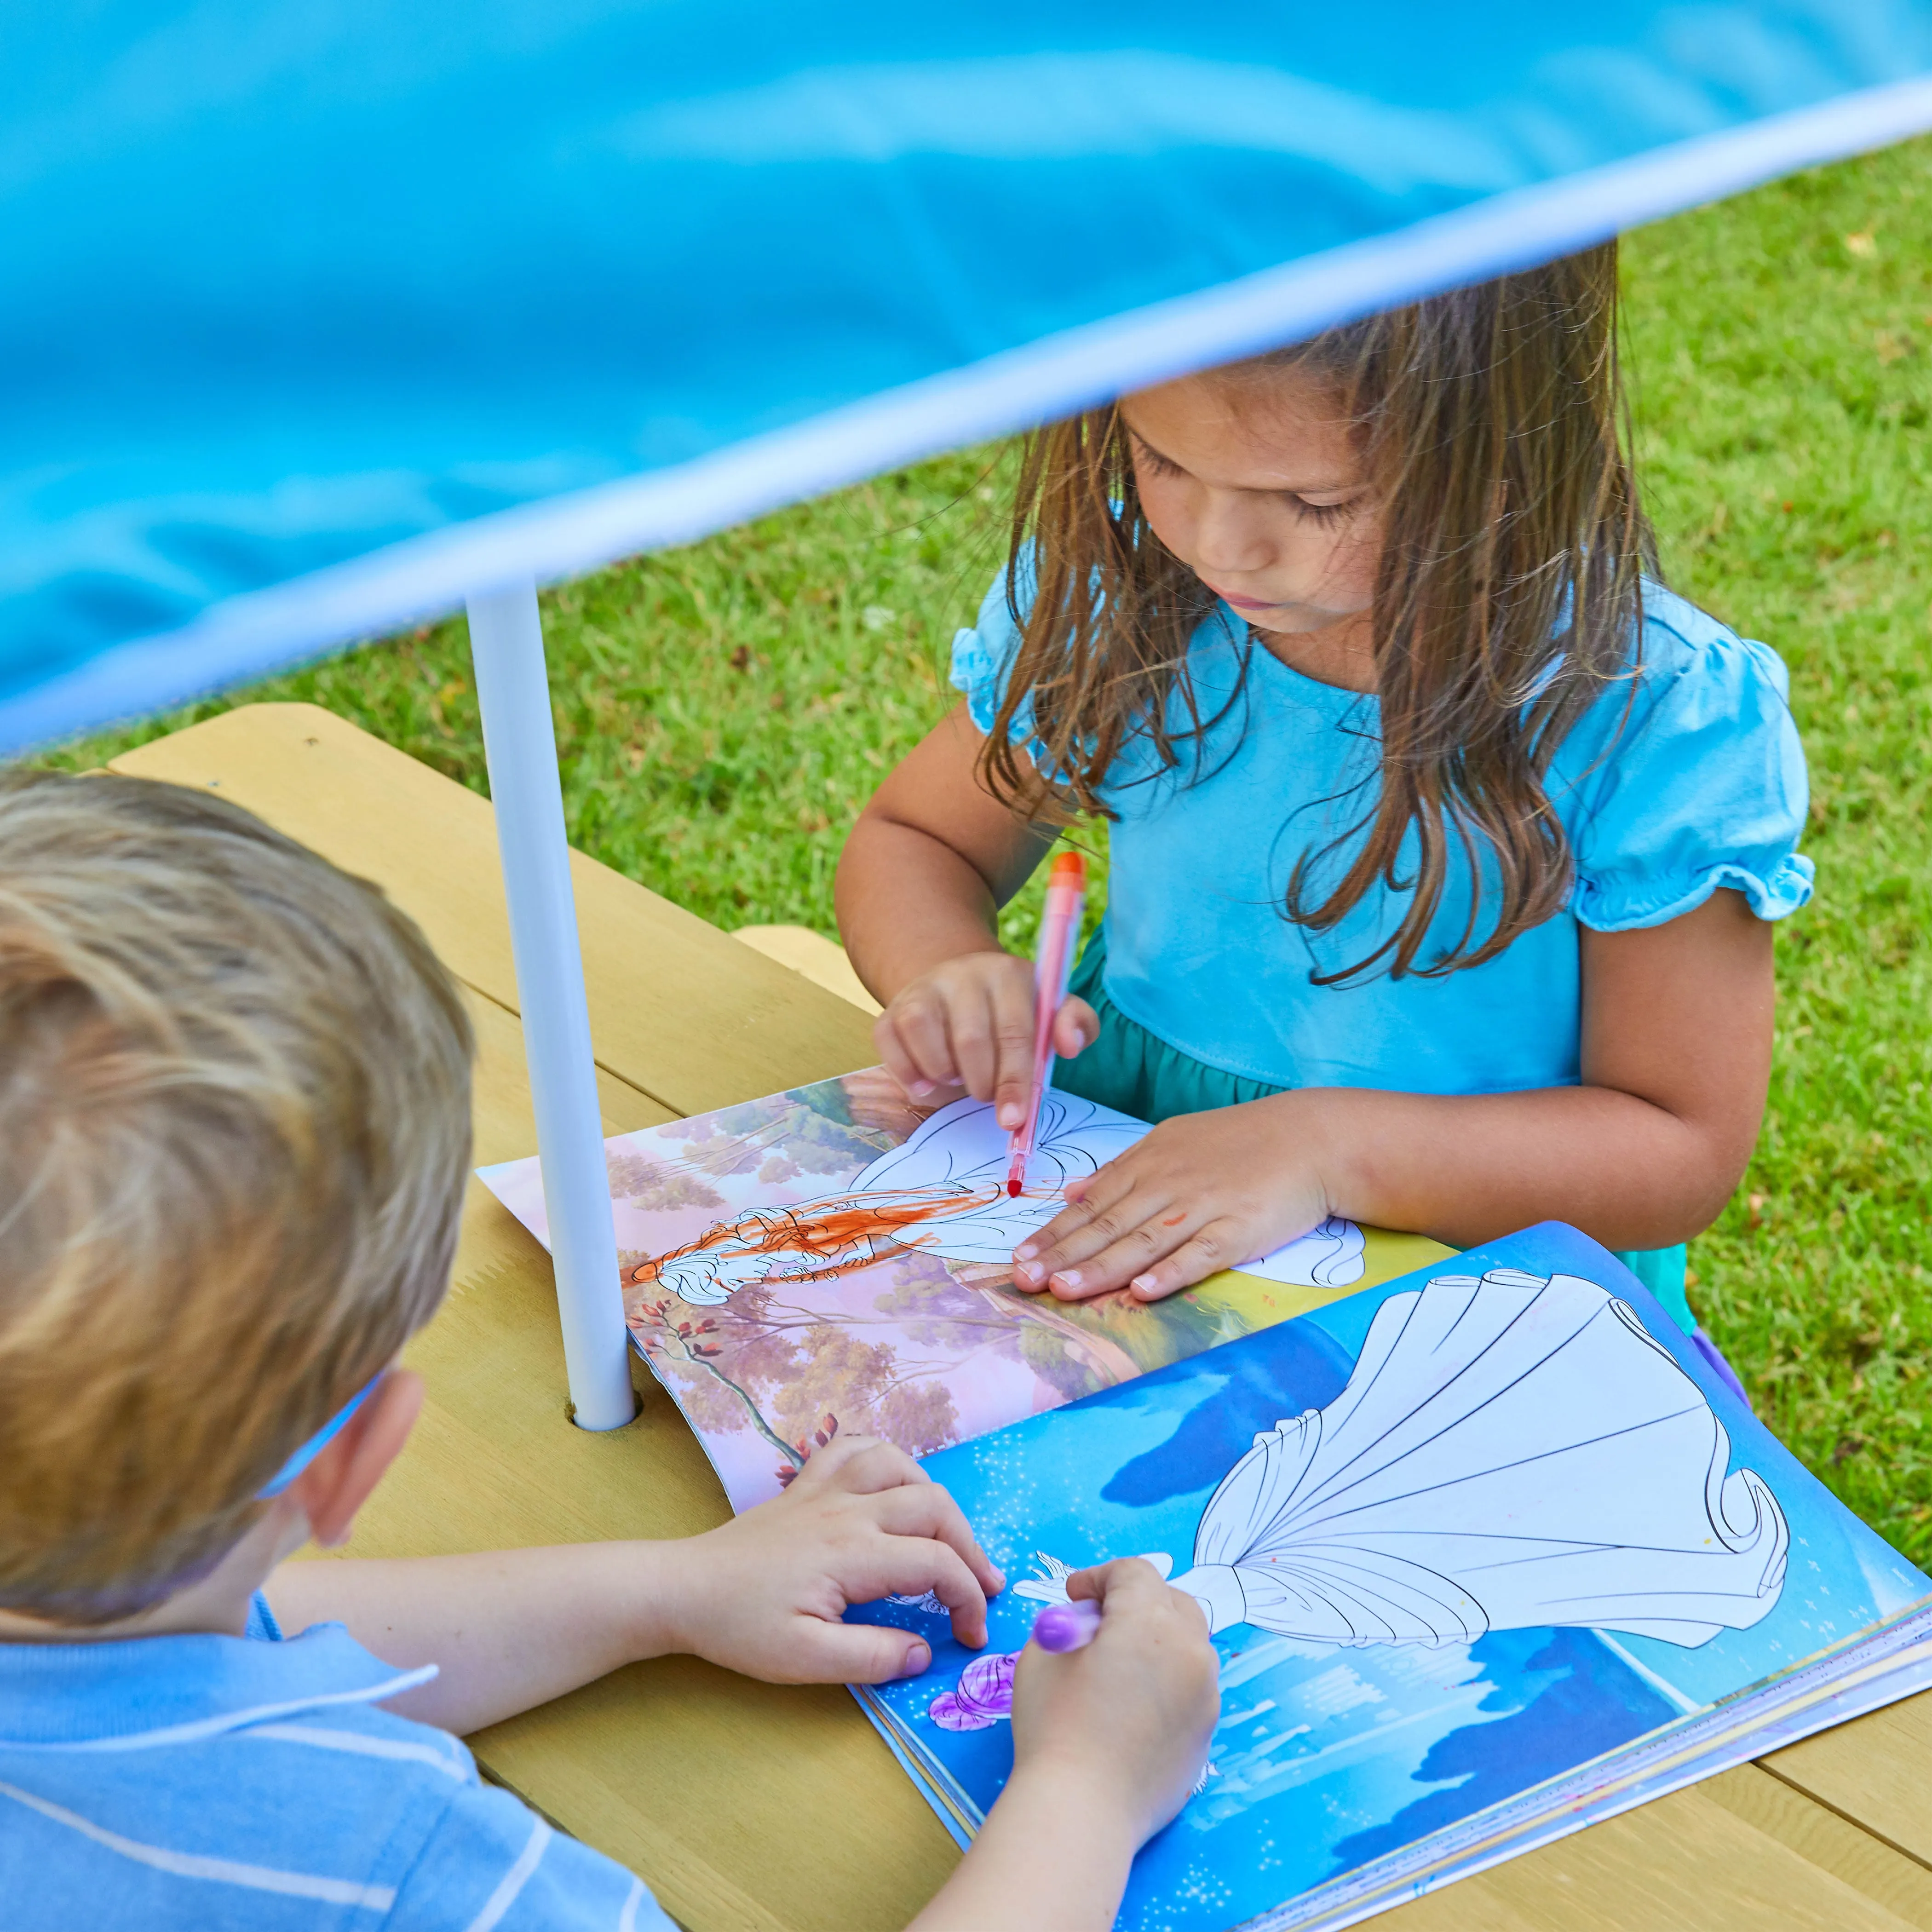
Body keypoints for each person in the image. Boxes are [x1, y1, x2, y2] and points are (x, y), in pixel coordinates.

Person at [0, 770, 1217, 1932]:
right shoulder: (406, 1868)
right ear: (354, 1457)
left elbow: (224, 1627)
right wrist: (1089, 1794)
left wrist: (671, 1594)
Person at [838, 243, 1809, 1353]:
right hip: (1115, 1203)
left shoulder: (1648, 714)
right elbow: (917, 839)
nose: (1217, 545)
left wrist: (1324, 1150)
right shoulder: (1133, 599)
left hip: (1474, 1281)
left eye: (1312, 500)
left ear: (1504, 455)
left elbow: (1676, 1148)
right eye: (1161, 461)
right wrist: (945, 973)